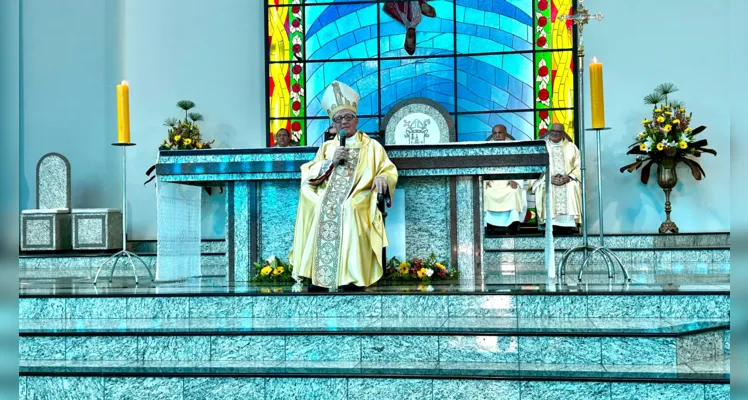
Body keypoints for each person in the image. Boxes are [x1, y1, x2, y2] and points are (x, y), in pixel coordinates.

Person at [289, 81, 398, 290]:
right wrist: (330, 162)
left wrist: (382, 177)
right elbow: (310, 172)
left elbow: (387, 168)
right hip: (326, 194)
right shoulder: (327, 147)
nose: (344, 122)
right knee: (319, 203)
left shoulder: (371, 146)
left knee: (348, 208)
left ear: (356, 120)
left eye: (348, 117)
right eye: (338, 119)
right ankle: (317, 276)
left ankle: (351, 277)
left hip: (359, 196)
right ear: (333, 124)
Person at [532, 123, 582, 233]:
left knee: (572, 187)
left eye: (558, 131)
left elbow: (579, 166)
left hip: (567, 180)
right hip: (547, 179)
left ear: (563, 133)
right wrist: (548, 178)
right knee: (545, 188)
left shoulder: (571, 147)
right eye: (553, 131)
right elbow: (534, 167)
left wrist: (569, 177)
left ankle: (570, 225)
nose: (555, 133)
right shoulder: (541, 147)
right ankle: (550, 224)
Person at [484, 125, 526, 235]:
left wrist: (515, 180)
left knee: (513, 192)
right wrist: (485, 180)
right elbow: (482, 165)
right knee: (486, 193)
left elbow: (520, 166)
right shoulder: (486, 149)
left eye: (500, 133)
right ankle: (490, 226)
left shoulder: (514, 148)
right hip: (492, 181)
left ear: (505, 134)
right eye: (495, 133)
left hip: (508, 180)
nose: (497, 135)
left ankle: (511, 227)